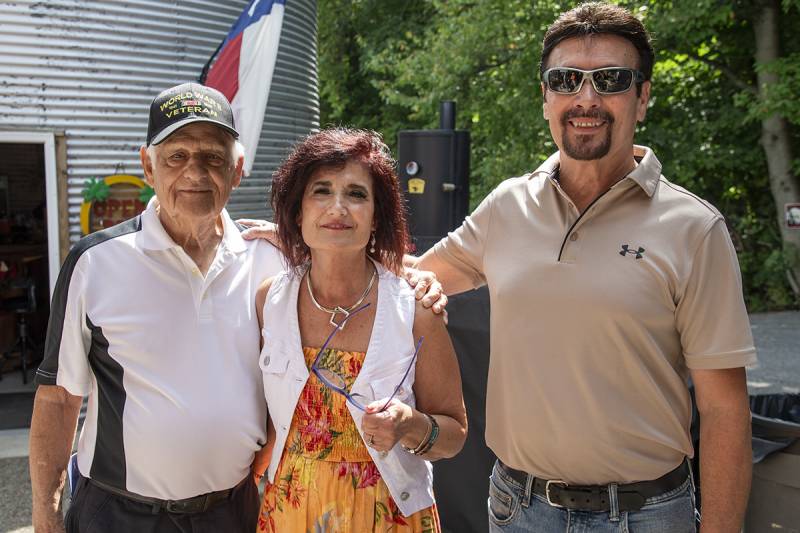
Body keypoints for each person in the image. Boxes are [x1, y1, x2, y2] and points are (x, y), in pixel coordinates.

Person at [411, 3, 757, 532]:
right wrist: (305, 246)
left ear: (642, 98)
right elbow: (411, 275)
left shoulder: (694, 228)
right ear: (546, 97)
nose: (586, 98)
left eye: (611, 80)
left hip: (646, 517)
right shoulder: (507, 206)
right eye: (567, 79)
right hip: (518, 509)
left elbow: (726, 412)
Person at [29, 82, 283, 533]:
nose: (195, 173)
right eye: (176, 156)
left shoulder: (270, 260)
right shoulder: (95, 262)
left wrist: (414, 278)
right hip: (119, 515)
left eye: (212, 157)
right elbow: (58, 396)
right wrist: (46, 514)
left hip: (232, 513)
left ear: (237, 168)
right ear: (148, 166)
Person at [253, 128, 467, 532]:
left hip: (390, 516)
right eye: (320, 191)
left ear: (376, 217)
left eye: (356, 194)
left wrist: (409, 425)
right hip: (291, 511)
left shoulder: (416, 309)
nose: (338, 207)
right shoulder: (270, 301)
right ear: (298, 213)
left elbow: (455, 434)